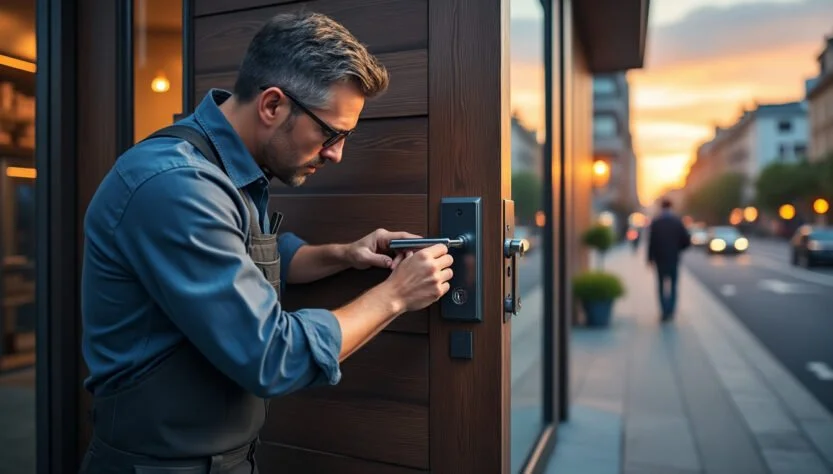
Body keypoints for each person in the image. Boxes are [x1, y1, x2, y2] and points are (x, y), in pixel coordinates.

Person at [78, 11, 453, 473]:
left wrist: (346, 254)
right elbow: (272, 357)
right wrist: (396, 295)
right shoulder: (177, 185)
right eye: (331, 134)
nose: (336, 153)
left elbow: (262, 255)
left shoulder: (227, 170)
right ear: (273, 105)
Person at [646, 198, 690, 321]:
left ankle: (664, 311)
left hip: (660, 259)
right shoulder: (677, 222)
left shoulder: (656, 222)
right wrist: (678, 249)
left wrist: (649, 258)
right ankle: (670, 310)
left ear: (661, 207)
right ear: (671, 207)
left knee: (661, 285)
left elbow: (651, 242)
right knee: (673, 286)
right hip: (673, 258)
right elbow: (686, 241)